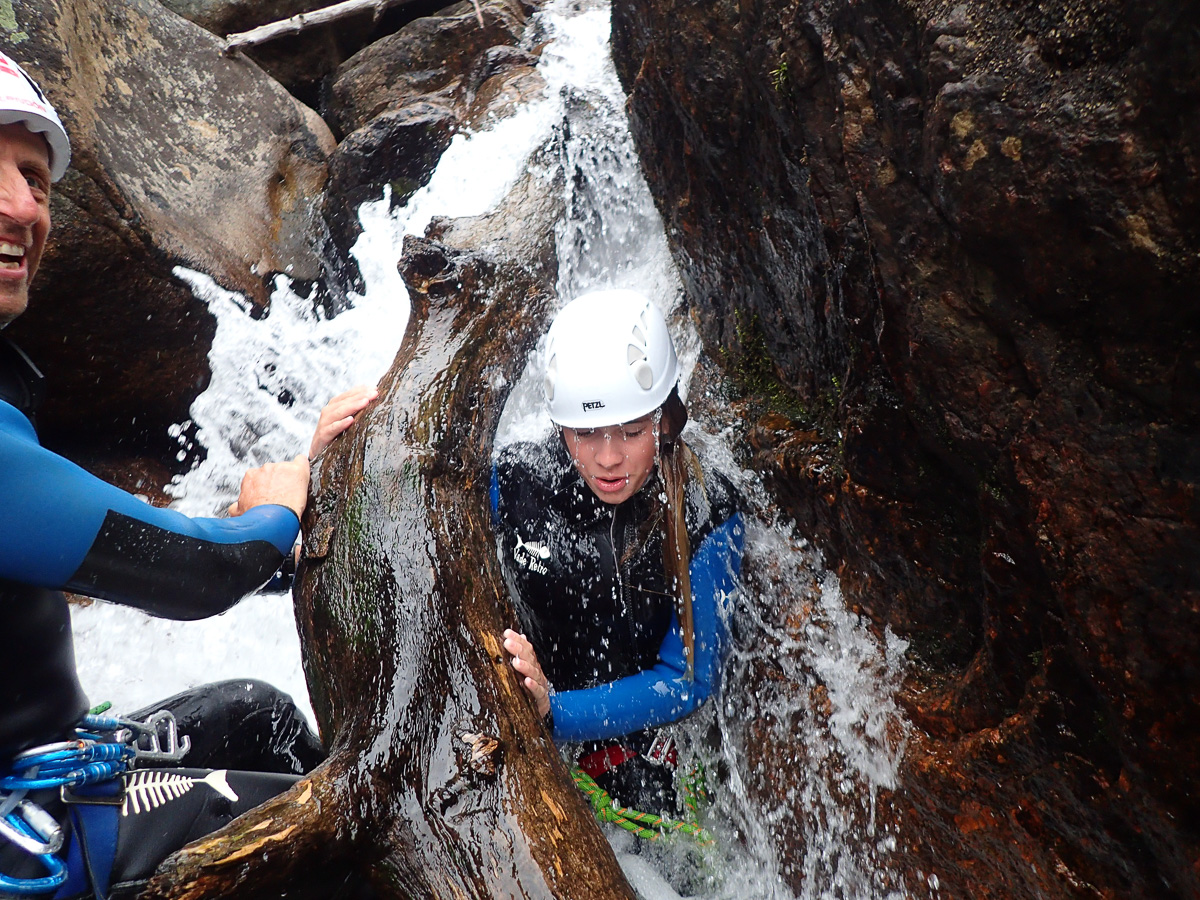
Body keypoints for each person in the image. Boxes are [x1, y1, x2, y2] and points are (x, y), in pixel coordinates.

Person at [0, 51, 370, 898]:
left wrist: (306, 488)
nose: (23, 206)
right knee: (336, 828)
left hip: (40, 759)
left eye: (36, 180)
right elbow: (198, 575)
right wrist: (273, 518)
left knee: (259, 717)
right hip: (16, 834)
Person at [492, 289, 744, 816]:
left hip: (635, 743)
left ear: (666, 420)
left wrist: (554, 713)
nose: (607, 459)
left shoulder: (705, 511)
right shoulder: (519, 481)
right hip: (524, 715)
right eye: (585, 434)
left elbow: (687, 678)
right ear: (560, 427)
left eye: (631, 432)